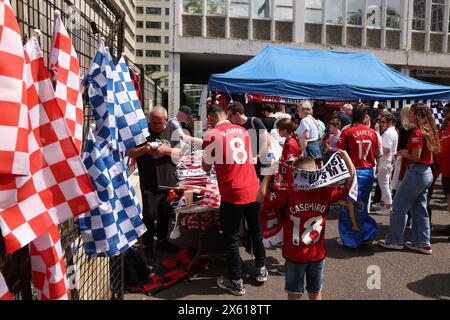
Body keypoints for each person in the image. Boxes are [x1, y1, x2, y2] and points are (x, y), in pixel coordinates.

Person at [203, 104, 268, 296]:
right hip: (252, 188)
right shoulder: (242, 130)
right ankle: (261, 268)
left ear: (211, 117)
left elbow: (206, 166)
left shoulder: (212, 134)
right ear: (225, 114)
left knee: (231, 237)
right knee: (256, 231)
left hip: (232, 191)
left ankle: (236, 281)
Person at [283, 152, 355, 300]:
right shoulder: (325, 192)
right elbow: (351, 183)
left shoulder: (289, 193)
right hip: (316, 253)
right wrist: (346, 156)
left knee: (294, 294)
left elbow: (262, 197)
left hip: (294, 253)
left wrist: (270, 173)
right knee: (315, 293)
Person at [378, 103, 441, 255]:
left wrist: (405, 154)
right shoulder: (429, 131)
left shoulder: (417, 132)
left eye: (411, 113)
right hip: (425, 172)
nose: (409, 116)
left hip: (417, 172)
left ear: (417, 115)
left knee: (398, 205)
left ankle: (394, 240)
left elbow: (415, 156)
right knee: (420, 209)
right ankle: (422, 242)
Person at [128, 106, 182, 260]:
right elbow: (131, 152)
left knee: (166, 212)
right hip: (149, 180)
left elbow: (180, 152)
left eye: (160, 123)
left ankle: (163, 240)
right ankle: (148, 244)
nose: (157, 126)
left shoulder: (172, 129)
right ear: (149, 120)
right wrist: (145, 150)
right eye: (154, 123)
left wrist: (166, 150)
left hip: (168, 179)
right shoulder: (141, 131)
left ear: (166, 120)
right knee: (149, 214)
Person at [336, 103, 381, 248]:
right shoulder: (373, 133)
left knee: (347, 205)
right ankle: (366, 233)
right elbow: (378, 154)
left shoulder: (347, 132)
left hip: (352, 172)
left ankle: (349, 238)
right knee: (361, 204)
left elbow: (340, 154)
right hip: (368, 172)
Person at [227, 101, 269, 180]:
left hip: (261, 162)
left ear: (237, 114)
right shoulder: (235, 127)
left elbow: (265, 140)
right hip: (246, 163)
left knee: (264, 186)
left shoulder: (254, 121)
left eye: (230, 116)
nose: (229, 118)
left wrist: (258, 156)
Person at [375, 112, 398, 215]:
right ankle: (384, 205)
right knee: (384, 185)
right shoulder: (391, 131)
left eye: (383, 122)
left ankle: (388, 207)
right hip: (387, 162)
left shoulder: (389, 133)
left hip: (385, 162)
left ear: (390, 122)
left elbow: (385, 150)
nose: (381, 123)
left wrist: (375, 151)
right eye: (380, 121)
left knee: (384, 185)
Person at [436, 104, 450, 239]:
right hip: (445, 171)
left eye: (447, 111)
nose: (445, 113)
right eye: (444, 111)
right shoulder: (445, 128)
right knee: (449, 200)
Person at [275, 118, 301, 189]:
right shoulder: (290, 140)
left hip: (289, 176)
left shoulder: (289, 143)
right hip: (289, 175)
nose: (278, 132)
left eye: (279, 129)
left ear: (284, 130)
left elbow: (290, 162)